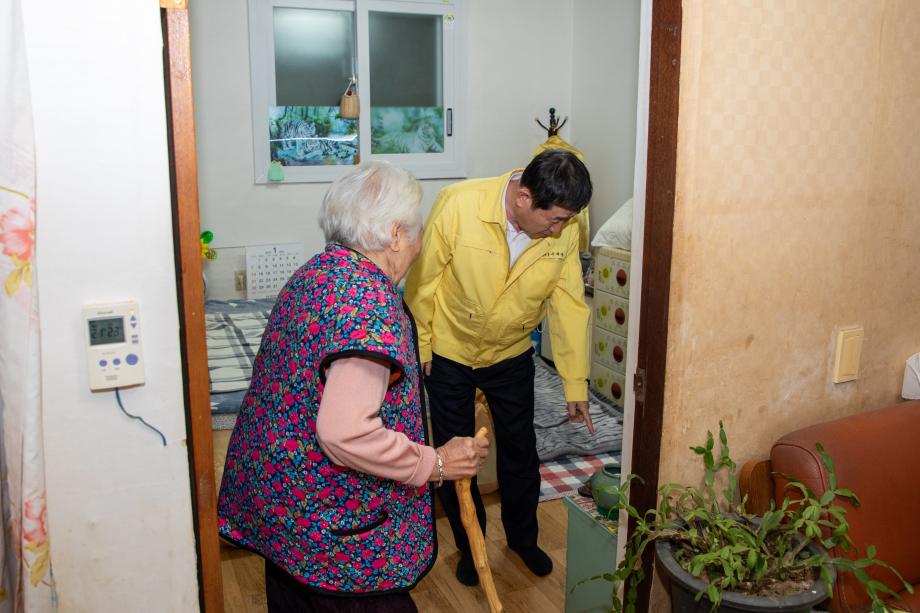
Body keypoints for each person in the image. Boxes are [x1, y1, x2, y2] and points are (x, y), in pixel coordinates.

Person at [217, 161, 490, 613]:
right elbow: (346, 433)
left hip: (284, 515)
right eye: (418, 231)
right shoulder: (370, 308)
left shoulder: (317, 272)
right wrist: (436, 462)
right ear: (397, 235)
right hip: (333, 534)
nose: (420, 244)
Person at [404, 149, 595, 586]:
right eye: (556, 220)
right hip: (450, 352)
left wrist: (574, 383)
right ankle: (471, 543)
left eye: (568, 220)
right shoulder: (459, 204)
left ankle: (522, 539)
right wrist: (425, 345)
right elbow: (423, 281)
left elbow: (567, 305)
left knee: (520, 450)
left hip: (510, 353)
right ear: (524, 198)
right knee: (458, 457)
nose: (562, 229)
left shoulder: (562, 229)